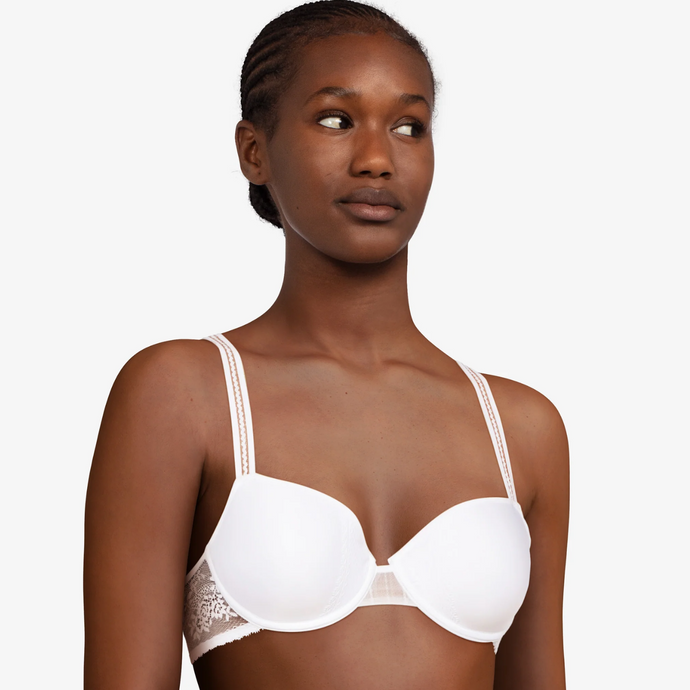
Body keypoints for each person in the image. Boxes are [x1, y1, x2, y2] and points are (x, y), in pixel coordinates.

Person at [83, 1, 569, 688]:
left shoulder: (523, 429)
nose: (377, 160)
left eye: (409, 126)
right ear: (254, 151)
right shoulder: (183, 395)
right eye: (336, 120)